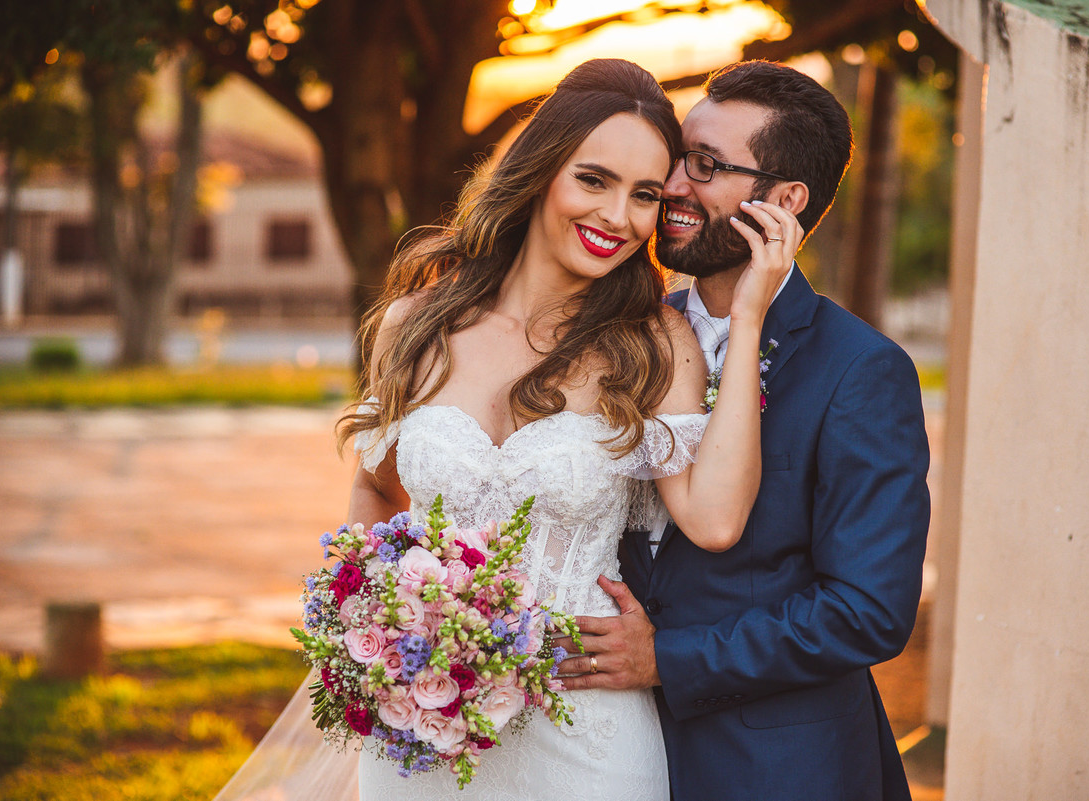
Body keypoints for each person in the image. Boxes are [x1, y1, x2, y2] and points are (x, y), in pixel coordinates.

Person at [213, 58, 799, 801]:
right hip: (419, 730)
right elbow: (375, 484)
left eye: (644, 194)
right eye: (595, 180)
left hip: (585, 731)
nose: (619, 217)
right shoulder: (415, 326)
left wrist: (747, 318)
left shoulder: (654, 344)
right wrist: (376, 626)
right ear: (540, 171)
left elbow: (715, 519)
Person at [558, 60, 932, 801]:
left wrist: (672, 657)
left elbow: (869, 610)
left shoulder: (861, 370)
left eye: (705, 166)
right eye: (678, 158)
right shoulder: (627, 332)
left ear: (783, 200)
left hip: (780, 769)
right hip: (608, 748)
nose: (671, 186)